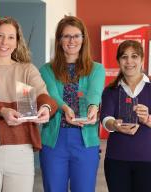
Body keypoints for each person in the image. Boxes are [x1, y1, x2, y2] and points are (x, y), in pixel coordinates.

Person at [0, 16, 57, 192]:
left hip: (21, 151)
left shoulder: (27, 69)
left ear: (17, 42)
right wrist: (3, 110)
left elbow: (42, 94)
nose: (4, 42)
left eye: (10, 37)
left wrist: (45, 108)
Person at [39, 16, 105, 192]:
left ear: (83, 39)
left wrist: (93, 107)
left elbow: (95, 92)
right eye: (66, 36)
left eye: (76, 36)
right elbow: (52, 94)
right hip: (55, 140)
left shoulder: (97, 69)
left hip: (85, 141)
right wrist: (66, 108)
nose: (71, 41)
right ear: (59, 40)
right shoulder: (46, 69)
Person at [100, 40, 151, 192]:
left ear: (142, 60)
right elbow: (105, 119)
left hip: (148, 160)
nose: (129, 61)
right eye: (124, 57)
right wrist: (114, 124)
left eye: (134, 56)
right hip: (117, 159)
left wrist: (148, 119)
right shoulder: (110, 91)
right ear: (119, 61)